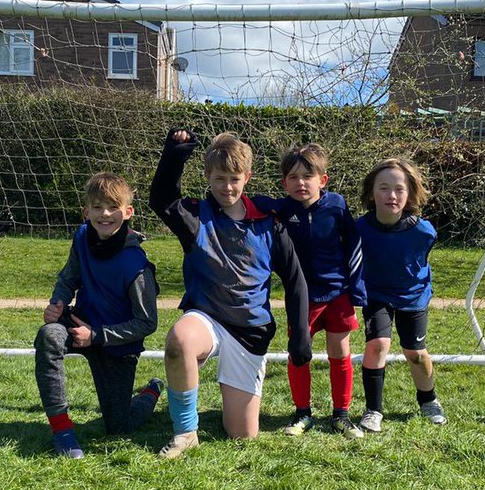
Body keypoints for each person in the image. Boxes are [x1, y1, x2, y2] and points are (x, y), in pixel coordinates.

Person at [150, 129, 311, 458]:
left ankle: (224, 408)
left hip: (250, 330)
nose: (227, 187)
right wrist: (175, 153)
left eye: (234, 179)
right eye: (219, 178)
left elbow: (295, 281)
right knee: (179, 340)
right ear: (208, 176)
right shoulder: (196, 217)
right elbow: (162, 199)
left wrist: (300, 336)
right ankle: (186, 432)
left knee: (242, 435)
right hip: (207, 316)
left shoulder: (269, 222)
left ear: (247, 177)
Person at [34, 172, 163, 458]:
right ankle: (62, 431)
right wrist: (58, 302)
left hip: (116, 343)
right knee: (48, 336)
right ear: (86, 211)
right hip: (78, 324)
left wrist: (97, 336)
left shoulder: (136, 265)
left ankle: (151, 391)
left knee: (119, 427)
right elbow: (69, 277)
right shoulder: (81, 236)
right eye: (97, 207)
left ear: (128, 212)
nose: (105, 214)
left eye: (113, 207)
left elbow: (147, 323)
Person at [274, 143, 367, 438]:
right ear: (284, 182)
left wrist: (357, 288)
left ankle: (341, 414)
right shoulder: (279, 209)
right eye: (293, 177)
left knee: (340, 351)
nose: (301, 183)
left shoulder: (337, 205)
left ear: (322, 180)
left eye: (308, 176)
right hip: (301, 296)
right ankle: (302, 413)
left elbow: (354, 244)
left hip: (337, 292)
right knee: (299, 352)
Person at [355, 158, 447, 432]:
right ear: (372, 192)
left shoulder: (423, 231)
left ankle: (429, 401)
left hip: (412, 295)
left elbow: (422, 262)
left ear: (410, 194)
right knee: (377, 345)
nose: (391, 195)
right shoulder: (360, 228)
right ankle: (373, 410)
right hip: (376, 294)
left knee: (415, 352)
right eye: (383, 188)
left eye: (399, 189)